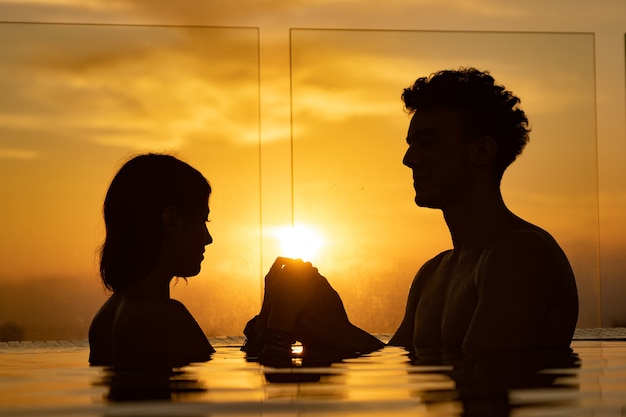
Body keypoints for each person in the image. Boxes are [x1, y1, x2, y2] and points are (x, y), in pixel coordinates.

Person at [244, 67, 579, 364]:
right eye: (410, 144)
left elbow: (483, 380)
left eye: (427, 143)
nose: (409, 159)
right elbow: (399, 369)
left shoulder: (522, 253)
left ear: (481, 151)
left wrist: (335, 327)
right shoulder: (432, 273)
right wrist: (301, 314)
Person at [89, 153, 215, 368]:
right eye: (203, 219)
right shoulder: (162, 316)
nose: (208, 238)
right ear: (172, 221)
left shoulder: (105, 318)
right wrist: (277, 329)